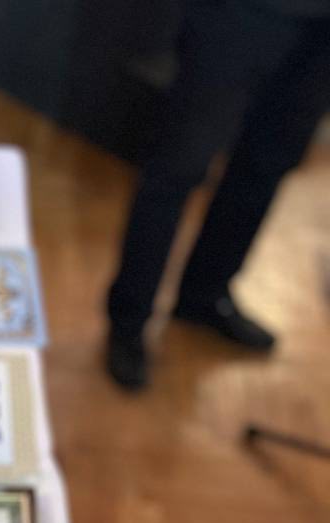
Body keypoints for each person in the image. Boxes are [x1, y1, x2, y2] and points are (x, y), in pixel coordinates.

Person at [105, 0, 330, 391]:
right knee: (179, 165)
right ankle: (128, 319)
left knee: (266, 167)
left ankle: (204, 296)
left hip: (321, 31)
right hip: (236, 15)